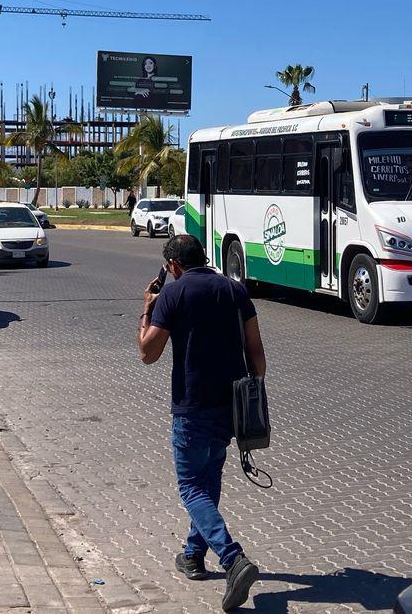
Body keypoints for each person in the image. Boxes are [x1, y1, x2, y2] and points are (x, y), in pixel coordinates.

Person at [138, 234, 266, 611]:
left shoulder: (174, 295)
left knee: (192, 488)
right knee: (208, 482)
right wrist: (253, 398)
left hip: (192, 407)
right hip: (230, 408)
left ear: (174, 266)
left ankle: (233, 559)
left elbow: (148, 352)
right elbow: (257, 355)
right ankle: (193, 554)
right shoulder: (234, 290)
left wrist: (147, 308)